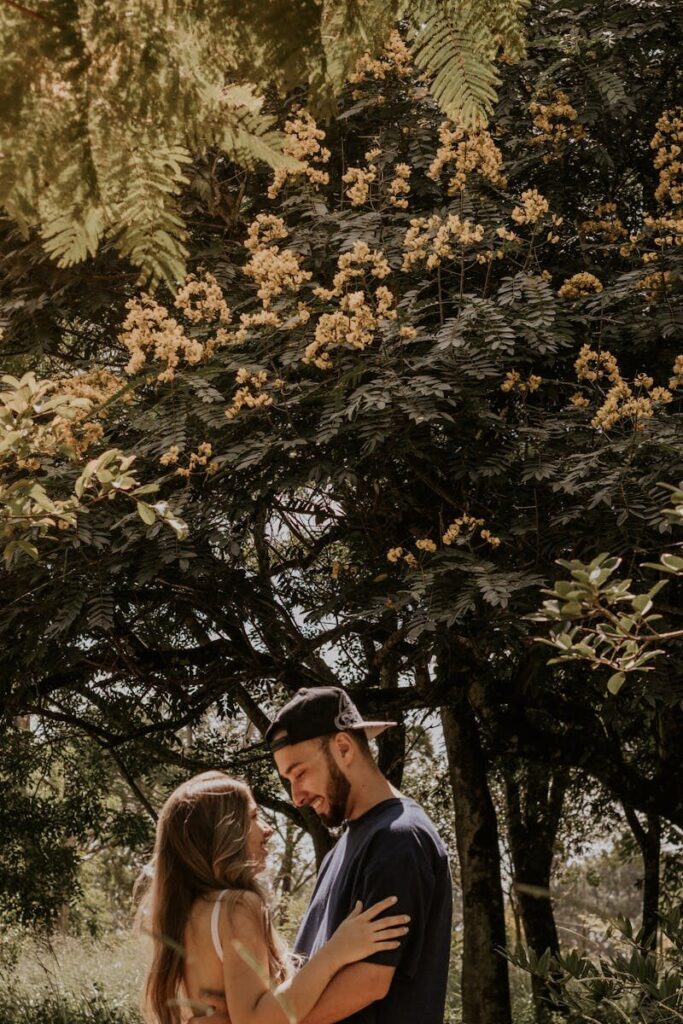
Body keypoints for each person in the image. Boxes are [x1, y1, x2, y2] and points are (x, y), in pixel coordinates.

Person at [197, 686, 453, 1024]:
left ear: (343, 747)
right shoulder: (342, 850)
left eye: (300, 773)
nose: (296, 797)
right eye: (288, 779)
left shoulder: (399, 840)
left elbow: (367, 982)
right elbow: (311, 970)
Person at [137, 770, 410, 1024]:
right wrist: (336, 952)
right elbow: (257, 1020)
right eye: (254, 817)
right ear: (225, 831)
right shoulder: (236, 906)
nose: (267, 829)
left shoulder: (187, 913)